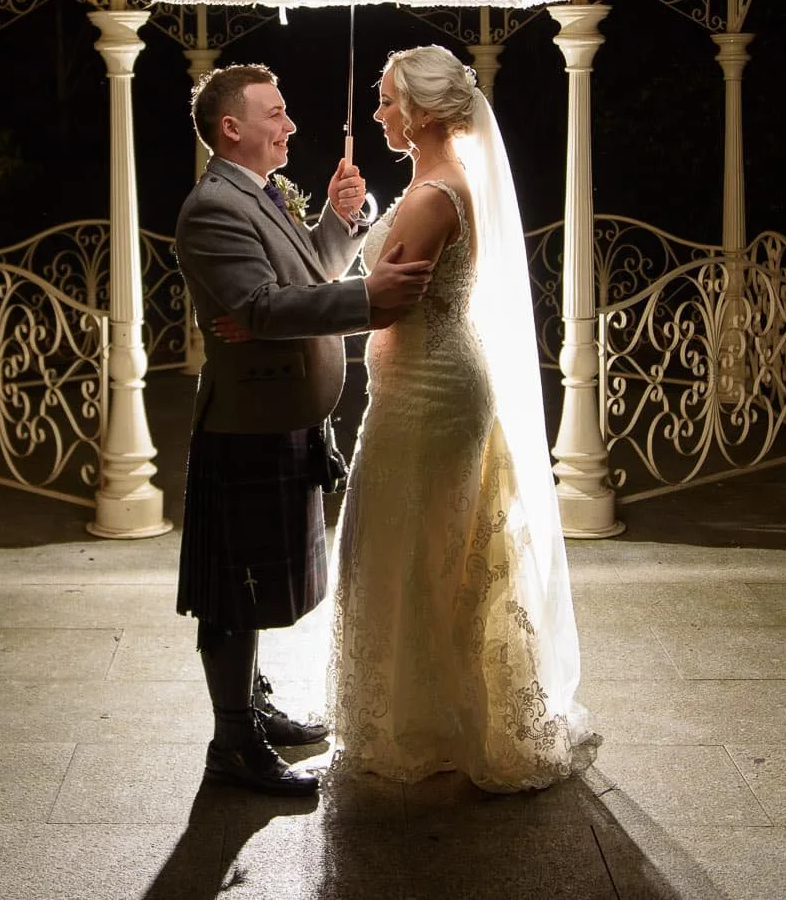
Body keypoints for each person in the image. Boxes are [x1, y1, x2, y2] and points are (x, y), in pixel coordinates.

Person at [218, 45, 592, 793]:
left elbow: (389, 302)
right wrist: (347, 225)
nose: (379, 113)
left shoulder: (430, 195)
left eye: (387, 101)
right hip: (422, 384)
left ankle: (428, 719)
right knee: (422, 545)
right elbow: (377, 284)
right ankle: (430, 706)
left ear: (418, 109)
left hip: (428, 393)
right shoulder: (438, 181)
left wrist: (268, 320)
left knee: (408, 546)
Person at [174, 62, 434, 797]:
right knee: (231, 592)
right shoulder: (212, 208)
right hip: (245, 424)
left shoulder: (261, 194)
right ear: (233, 128)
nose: (289, 125)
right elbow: (261, 306)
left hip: (285, 413)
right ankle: (232, 743)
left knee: (254, 584)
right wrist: (368, 297)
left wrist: (339, 222)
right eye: (275, 113)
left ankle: (250, 709)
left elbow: (308, 272)